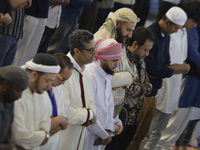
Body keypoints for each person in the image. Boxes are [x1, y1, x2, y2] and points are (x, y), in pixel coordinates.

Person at [140, 1, 200, 149]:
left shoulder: (181, 31)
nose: (194, 25)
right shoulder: (162, 33)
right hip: (160, 85)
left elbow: (179, 60)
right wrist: (180, 68)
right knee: (146, 132)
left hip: (173, 85)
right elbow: (164, 65)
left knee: (159, 132)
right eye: (194, 21)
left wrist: (182, 68)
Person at [128, 6, 188, 150]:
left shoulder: (166, 35)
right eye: (175, 27)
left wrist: (165, 70)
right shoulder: (150, 34)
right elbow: (148, 67)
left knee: (143, 133)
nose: (175, 31)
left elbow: (166, 61)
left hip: (154, 91)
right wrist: (169, 71)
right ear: (166, 22)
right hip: (143, 91)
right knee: (134, 134)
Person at [107, 27, 154, 150]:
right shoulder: (122, 59)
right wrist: (142, 87)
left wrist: (139, 87)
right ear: (135, 44)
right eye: (145, 50)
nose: (147, 54)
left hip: (133, 118)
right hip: (119, 116)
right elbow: (126, 89)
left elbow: (149, 86)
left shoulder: (141, 60)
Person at [155, 25, 200, 150]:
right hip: (186, 81)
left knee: (181, 124)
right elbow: (192, 53)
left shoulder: (189, 31)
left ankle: (169, 146)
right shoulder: (190, 32)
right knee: (170, 124)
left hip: (193, 82)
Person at [11, 53, 68, 150]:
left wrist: (41, 133)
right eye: (47, 81)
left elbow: (45, 122)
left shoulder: (39, 93)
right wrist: (44, 136)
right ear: (34, 75)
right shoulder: (16, 95)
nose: (50, 86)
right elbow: (20, 136)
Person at [94, 7, 140, 117]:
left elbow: (130, 72)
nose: (130, 35)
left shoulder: (119, 39)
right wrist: (127, 78)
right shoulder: (101, 41)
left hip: (114, 105)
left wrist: (128, 76)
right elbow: (101, 79)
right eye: (128, 30)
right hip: (99, 105)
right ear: (118, 23)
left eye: (132, 31)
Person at [83, 38, 123, 150]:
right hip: (88, 134)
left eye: (118, 60)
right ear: (103, 59)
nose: (117, 64)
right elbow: (90, 112)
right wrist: (104, 134)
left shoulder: (105, 73)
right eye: (114, 60)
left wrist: (116, 123)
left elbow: (108, 103)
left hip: (102, 134)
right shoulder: (90, 75)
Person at [60, 29, 96, 150]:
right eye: (90, 50)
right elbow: (63, 110)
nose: (95, 53)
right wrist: (88, 115)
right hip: (62, 138)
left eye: (94, 48)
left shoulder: (85, 71)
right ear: (77, 51)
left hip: (78, 137)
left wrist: (91, 114)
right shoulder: (63, 72)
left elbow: (91, 100)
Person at [40, 53, 73, 150]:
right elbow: (41, 124)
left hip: (53, 143)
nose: (63, 83)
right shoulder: (38, 90)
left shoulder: (57, 88)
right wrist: (60, 120)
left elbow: (65, 117)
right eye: (62, 79)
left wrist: (59, 123)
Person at [0, 66, 29, 150]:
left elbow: (6, 135)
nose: (20, 96)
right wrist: (11, 147)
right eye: (18, 91)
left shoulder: (9, 102)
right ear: (6, 85)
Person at [0, 0, 32, 66]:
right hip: (4, 31)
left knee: (5, 72)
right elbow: (14, 4)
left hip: (15, 32)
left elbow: (28, 4)